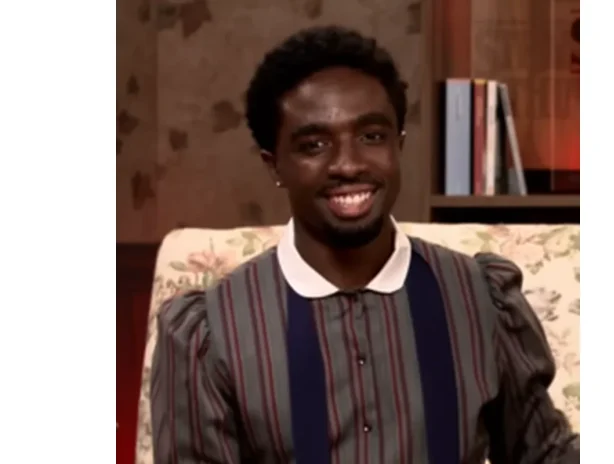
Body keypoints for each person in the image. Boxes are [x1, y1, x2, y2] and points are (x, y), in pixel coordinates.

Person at [150, 25, 580, 464]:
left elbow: (544, 454)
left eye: (371, 137)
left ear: (399, 145)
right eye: (314, 145)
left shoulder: (482, 299)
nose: (348, 164)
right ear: (274, 165)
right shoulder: (211, 333)